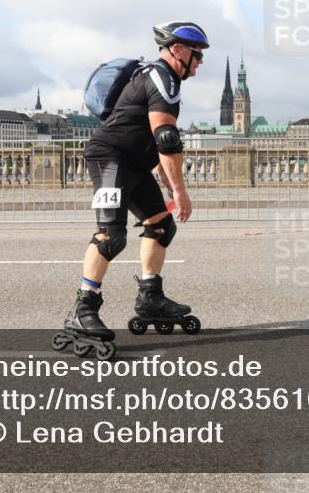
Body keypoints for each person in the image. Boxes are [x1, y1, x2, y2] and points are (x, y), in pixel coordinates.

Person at [62, 21, 208, 342]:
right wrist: (179, 191)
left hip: (135, 163)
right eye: (197, 55)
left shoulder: (163, 77)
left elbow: (150, 136)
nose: (200, 62)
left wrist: (164, 176)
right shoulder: (161, 78)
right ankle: (82, 309)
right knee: (111, 236)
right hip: (110, 158)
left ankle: (150, 297)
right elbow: (166, 138)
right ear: (177, 50)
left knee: (161, 225)